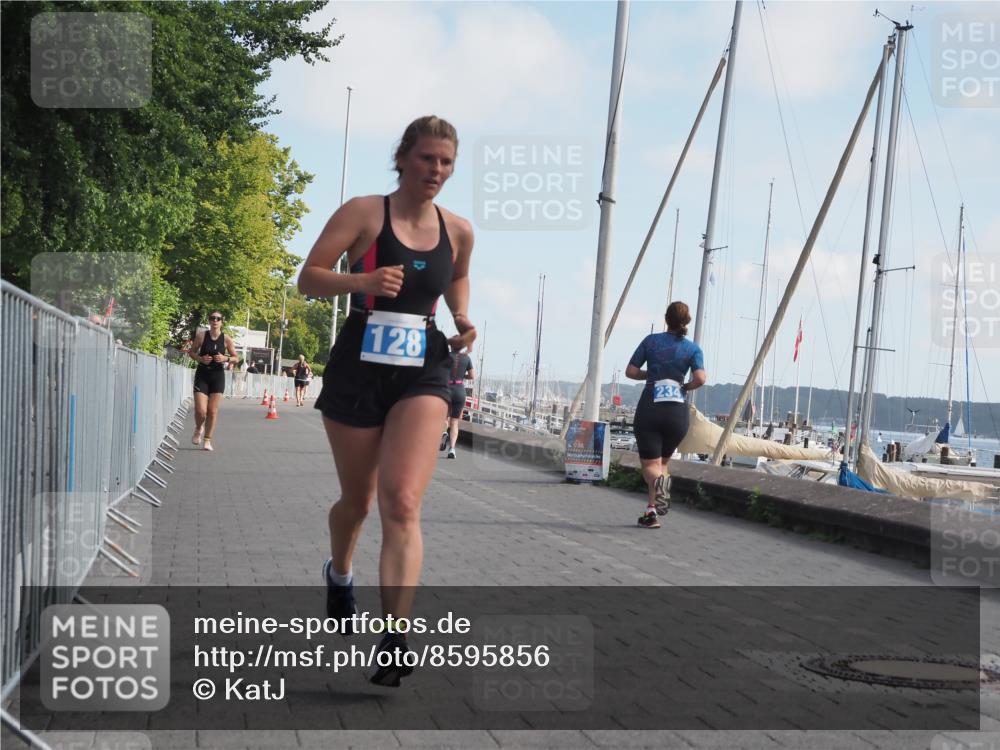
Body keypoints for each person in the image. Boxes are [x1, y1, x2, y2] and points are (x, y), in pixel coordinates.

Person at [298, 116, 475, 687]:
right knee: (358, 502)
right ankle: (340, 570)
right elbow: (309, 278)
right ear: (403, 157)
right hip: (358, 367)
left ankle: (395, 637)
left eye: (446, 163)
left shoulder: (460, 230)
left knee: (401, 501)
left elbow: (458, 280)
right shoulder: (364, 213)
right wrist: (361, 284)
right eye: (427, 159)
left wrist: (463, 318)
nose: (436, 172)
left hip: (424, 366)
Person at [625, 301, 706, 529]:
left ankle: (660, 485)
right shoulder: (693, 349)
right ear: (686, 321)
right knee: (661, 464)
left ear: (666, 319)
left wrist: (650, 375)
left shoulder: (651, 341)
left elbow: (630, 371)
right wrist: (685, 387)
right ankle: (651, 512)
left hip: (651, 408)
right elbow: (700, 378)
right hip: (677, 413)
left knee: (651, 468)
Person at [190, 311, 239, 451]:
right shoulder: (201, 336)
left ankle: (207, 440)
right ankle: (199, 428)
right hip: (202, 375)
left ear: (222, 322)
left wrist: (226, 359)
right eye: (212, 318)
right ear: (209, 321)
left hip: (217, 376)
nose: (215, 321)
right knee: (200, 411)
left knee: (212, 411)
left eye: (218, 319)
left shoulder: (226, 339)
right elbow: (192, 352)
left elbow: (236, 357)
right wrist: (200, 359)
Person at [440, 341, 475, 458]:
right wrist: (461, 376)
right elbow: (472, 376)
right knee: (454, 422)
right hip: (459, 390)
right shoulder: (466, 358)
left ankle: (444, 432)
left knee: (444, 417)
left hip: (446, 388)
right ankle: (452, 449)